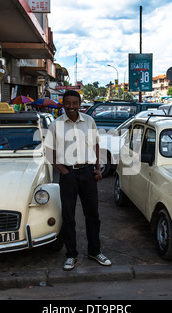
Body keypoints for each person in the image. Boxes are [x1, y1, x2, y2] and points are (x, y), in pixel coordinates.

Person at [45, 90, 111, 271]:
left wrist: (98, 168)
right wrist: (64, 171)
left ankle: (94, 251)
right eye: (68, 103)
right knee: (68, 217)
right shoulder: (56, 125)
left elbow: (96, 144)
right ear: (63, 104)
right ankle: (71, 254)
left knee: (93, 215)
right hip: (69, 175)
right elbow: (48, 152)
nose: (72, 106)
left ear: (80, 104)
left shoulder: (89, 121)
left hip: (88, 173)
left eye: (75, 103)